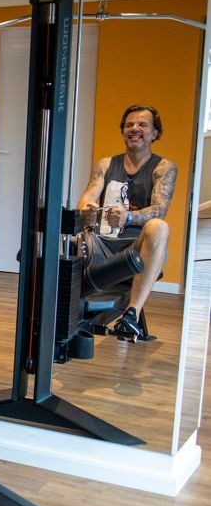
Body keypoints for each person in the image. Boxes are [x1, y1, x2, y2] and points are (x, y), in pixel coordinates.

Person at [76, 104, 177, 341]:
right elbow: (87, 197)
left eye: (142, 125)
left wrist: (129, 217)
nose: (135, 129)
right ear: (123, 131)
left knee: (159, 227)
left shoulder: (163, 168)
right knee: (72, 236)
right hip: (102, 243)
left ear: (154, 133)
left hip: (138, 247)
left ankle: (131, 314)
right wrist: (87, 210)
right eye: (129, 125)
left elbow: (160, 209)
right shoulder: (106, 164)